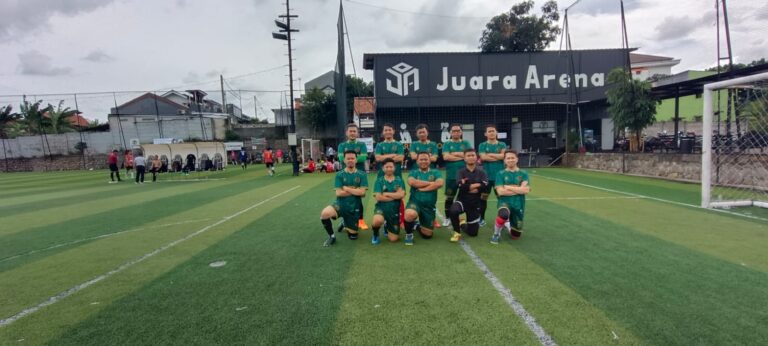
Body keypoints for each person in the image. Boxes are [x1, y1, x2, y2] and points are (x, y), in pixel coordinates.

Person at [319, 150, 368, 246]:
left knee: (353, 236)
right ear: (344, 160)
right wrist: (355, 190)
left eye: (352, 158)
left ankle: (345, 222)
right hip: (340, 204)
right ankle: (331, 236)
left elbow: (362, 193)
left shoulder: (362, 174)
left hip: (354, 207)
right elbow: (339, 193)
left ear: (356, 160)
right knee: (325, 214)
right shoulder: (339, 174)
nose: (350, 160)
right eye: (348, 158)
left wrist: (346, 188)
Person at [403, 152, 444, 246]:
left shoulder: (435, 172)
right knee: (410, 214)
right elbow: (412, 182)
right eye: (421, 159)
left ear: (429, 161)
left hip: (429, 206)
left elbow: (439, 184)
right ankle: (409, 235)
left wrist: (422, 189)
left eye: (426, 159)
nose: (423, 161)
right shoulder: (414, 172)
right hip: (415, 202)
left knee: (427, 235)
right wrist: (430, 183)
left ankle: (416, 225)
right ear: (417, 161)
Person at [448, 149, 488, 242]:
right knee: (453, 210)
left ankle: (462, 224)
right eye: (468, 156)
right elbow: (459, 186)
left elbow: (485, 185)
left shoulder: (482, 172)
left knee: (473, 233)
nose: (471, 157)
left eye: (473, 155)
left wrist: (468, 186)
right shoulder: (460, 172)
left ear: (476, 157)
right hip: (462, 200)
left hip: (475, 203)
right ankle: (457, 232)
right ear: (464, 158)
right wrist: (477, 185)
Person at [493, 150, 531, 244]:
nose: (510, 160)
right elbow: (500, 192)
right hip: (504, 202)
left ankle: (508, 224)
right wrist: (518, 189)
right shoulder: (500, 174)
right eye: (508, 158)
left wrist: (508, 187)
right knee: (503, 215)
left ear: (517, 159)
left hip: (519, 204)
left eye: (512, 158)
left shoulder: (524, 173)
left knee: (515, 236)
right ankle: (496, 234)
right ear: (505, 160)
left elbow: (526, 190)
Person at [409, 124, 442, 228]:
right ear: (416, 134)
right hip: (417, 172)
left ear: (427, 132)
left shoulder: (433, 144)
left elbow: (435, 158)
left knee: (431, 196)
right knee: (415, 194)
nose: (422, 134)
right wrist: (427, 157)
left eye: (423, 132)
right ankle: (414, 216)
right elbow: (413, 156)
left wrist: (421, 157)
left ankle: (433, 219)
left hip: (430, 172)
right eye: (420, 132)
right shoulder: (414, 144)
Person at [337, 123, 369, 230]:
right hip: (345, 175)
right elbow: (341, 159)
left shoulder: (362, 145)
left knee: (358, 198)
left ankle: (361, 220)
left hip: (359, 174)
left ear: (357, 133)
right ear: (346, 133)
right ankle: (344, 220)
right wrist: (355, 158)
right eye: (350, 131)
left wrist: (349, 158)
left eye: (354, 131)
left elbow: (364, 158)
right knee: (345, 197)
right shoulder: (342, 145)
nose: (352, 133)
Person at [441, 124, 472, 227]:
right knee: (449, 197)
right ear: (450, 132)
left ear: (461, 132)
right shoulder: (446, 144)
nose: (456, 133)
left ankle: (469, 218)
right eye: (453, 131)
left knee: (467, 197)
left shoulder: (466, 143)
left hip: (465, 175)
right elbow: (446, 157)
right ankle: (447, 218)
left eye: (458, 131)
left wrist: (453, 154)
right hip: (451, 175)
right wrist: (462, 155)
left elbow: (469, 156)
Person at [478, 124, 507, 227]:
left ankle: (503, 219)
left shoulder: (502, 144)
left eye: (493, 131)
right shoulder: (482, 145)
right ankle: (481, 218)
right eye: (489, 131)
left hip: (499, 177)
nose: (491, 133)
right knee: (483, 198)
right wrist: (497, 156)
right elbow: (483, 158)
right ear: (486, 134)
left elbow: (503, 156)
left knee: (502, 198)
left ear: (496, 132)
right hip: (486, 177)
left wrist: (489, 154)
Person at [371, 158, 405, 245]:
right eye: (387, 167)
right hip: (381, 208)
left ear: (394, 168)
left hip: (394, 211)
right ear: (383, 168)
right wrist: (395, 196)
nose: (389, 169)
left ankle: (387, 226)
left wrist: (386, 194)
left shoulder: (399, 180)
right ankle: (375, 234)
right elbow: (378, 197)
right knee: (377, 221)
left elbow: (401, 195)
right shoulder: (379, 180)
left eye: (391, 167)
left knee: (393, 239)